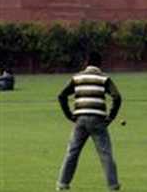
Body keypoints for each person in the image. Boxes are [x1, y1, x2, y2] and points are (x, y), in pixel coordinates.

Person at [56, 52, 121, 191]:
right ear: (100, 64)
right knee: (105, 153)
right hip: (98, 119)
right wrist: (110, 117)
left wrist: (70, 115)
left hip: (80, 119)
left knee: (72, 152)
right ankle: (113, 185)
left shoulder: (77, 77)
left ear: (86, 63)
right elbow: (116, 97)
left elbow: (61, 96)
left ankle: (62, 183)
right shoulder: (104, 78)